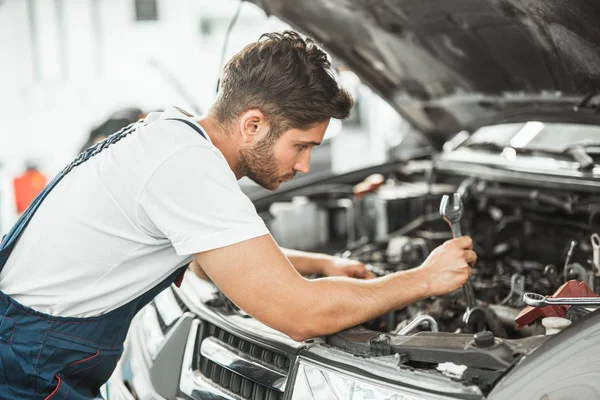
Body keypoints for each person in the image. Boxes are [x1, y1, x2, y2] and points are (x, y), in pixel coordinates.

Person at [0, 31, 476, 398]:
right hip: (28, 367)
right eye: (302, 146)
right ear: (253, 124)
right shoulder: (186, 167)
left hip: (31, 347)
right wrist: (423, 278)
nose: (305, 165)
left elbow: (210, 257)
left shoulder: (170, 132)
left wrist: (321, 264)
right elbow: (300, 314)